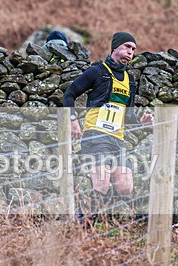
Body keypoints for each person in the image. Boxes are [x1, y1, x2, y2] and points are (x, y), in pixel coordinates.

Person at [62, 31, 154, 223]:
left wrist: (141, 123)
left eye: (134, 49)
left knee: (125, 187)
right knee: (102, 183)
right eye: (127, 47)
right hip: (95, 135)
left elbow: (127, 116)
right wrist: (73, 120)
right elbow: (69, 94)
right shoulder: (98, 71)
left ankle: (98, 218)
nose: (131, 52)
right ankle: (84, 225)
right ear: (115, 47)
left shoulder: (130, 80)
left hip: (117, 139)